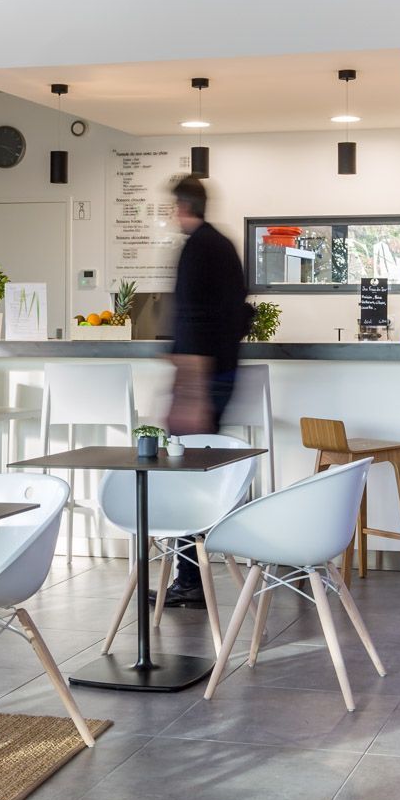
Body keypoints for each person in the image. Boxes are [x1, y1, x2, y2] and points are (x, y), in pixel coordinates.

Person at [160, 174, 249, 608]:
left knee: (188, 476)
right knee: (197, 474)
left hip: (202, 382)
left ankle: (189, 578)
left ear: (181, 207)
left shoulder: (197, 250)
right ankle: (189, 574)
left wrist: (189, 394)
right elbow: (239, 314)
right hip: (222, 374)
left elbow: (194, 322)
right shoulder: (225, 246)